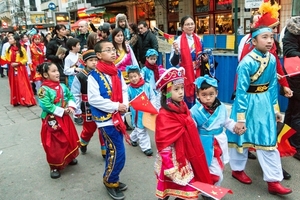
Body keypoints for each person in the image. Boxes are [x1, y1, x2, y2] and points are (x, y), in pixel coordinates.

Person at [226, 26, 292, 195]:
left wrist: (275, 109)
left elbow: (272, 86)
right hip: (247, 105)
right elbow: (241, 92)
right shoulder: (246, 63)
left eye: (271, 37)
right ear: (254, 42)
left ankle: (273, 180)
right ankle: (237, 170)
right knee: (241, 138)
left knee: (268, 140)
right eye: (265, 37)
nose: (270, 41)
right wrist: (240, 118)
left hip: (264, 105)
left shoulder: (271, 59)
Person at [155, 67, 212, 200]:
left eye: (182, 88)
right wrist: (169, 165)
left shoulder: (183, 107)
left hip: (186, 153)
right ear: (166, 93)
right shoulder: (164, 115)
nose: (181, 92)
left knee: (185, 189)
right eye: (176, 89)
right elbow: (163, 143)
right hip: (173, 158)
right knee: (169, 189)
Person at [88, 40, 130, 200]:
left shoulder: (117, 72)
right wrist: (116, 106)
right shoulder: (94, 75)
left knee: (115, 151)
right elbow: (94, 99)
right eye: (108, 50)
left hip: (118, 116)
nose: (113, 52)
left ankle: (112, 178)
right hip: (106, 120)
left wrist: (124, 104)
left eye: (113, 49)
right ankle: (110, 181)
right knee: (118, 152)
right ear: (98, 55)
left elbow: (124, 89)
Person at [190, 75, 239, 188]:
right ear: (197, 95)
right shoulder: (194, 111)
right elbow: (191, 128)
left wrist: (235, 127)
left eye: (211, 94)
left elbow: (227, 122)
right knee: (211, 170)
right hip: (204, 143)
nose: (208, 98)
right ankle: (209, 189)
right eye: (204, 95)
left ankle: (209, 189)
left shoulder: (221, 106)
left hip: (220, 140)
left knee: (218, 168)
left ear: (216, 93)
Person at [37, 62, 79, 179]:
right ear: (45, 75)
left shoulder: (63, 86)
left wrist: (70, 107)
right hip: (52, 119)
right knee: (54, 143)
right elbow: (46, 105)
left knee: (68, 138)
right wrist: (62, 111)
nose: (57, 73)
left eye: (57, 70)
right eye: (54, 71)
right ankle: (54, 165)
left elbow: (70, 96)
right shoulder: (43, 90)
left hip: (65, 118)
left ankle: (68, 157)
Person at [71, 50, 106, 157]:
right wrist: (76, 108)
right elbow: (75, 93)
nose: (94, 62)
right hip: (87, 106)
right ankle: (83, 142)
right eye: (91, 60)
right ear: (85, 62)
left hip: (101, 105)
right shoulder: (80, 76)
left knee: (103, 128)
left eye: (96, 60)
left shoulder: (102, 73)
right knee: (89, 129)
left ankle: (105, 151)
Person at [169, 15, 207, 108]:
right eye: (187, 24)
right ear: (182, 27)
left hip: (198, 75)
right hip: (184, 77)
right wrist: (177, 53)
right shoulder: (177, 42)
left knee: (200, 100)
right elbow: (173, 63)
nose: (190, 26)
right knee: (186, 101)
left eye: (192, 24)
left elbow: (203, 57)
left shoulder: (199, 39)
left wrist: (205, 59)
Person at [126, 65, 156, 156]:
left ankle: (132, 138)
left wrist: (153, 107)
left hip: (147, 111)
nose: (133, 79)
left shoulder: (147, 86)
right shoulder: (129, 89)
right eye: (131, 77)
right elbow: (127, 99)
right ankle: (146, 147)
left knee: (141, 128)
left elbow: (152, 97)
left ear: (139, 76)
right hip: (136, 113)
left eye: (135, 76)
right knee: (141, 129)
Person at [282, 16, 300, 161]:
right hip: (295, 77)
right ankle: (296, 147)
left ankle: (287, 139)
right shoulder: (293, 30)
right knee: (297, 113)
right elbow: (290, 51)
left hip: (295, 77)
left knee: (293, 110)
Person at [1, 34, 36, 107]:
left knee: (23, 84)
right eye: (9, 39)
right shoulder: (8, 49)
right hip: (12, 70)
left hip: (20, 69)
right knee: (14, 84)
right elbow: (6, 58)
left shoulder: (21, 49)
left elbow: (25, 59)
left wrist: (18, 63)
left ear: (15, 40)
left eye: (11, 39)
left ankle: (27, 100)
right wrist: (9, 62)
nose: (9, 40)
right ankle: (16, 100)